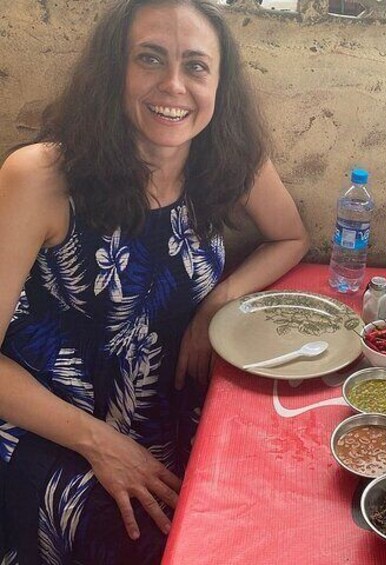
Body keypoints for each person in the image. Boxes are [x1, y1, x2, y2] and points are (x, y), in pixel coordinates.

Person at [0, 0, 309, 562]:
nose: (173, 85)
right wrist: (103, 445)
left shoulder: (227, 158)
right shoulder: (40, 177)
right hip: (53, 427)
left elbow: (290, 238)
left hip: (167, 416)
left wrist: (217, 303)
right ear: (113, 72)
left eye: (195, 65)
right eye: (149, 58)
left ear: (219, 84)